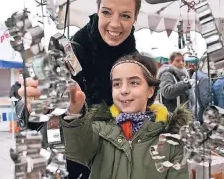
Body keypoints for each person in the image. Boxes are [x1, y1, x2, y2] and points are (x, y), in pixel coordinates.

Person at [17, 0, 142, 178]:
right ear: (97, 11)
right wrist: (31, 105)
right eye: (107, 12)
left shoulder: (138, 65)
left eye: (125, 16)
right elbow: (31, 110)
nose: (115, 24)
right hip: (66, 166)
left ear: (135, 18)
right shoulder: (68, 54)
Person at [21, 53, 190, 179]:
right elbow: (77, 148)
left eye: (134, 82)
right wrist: (73, 112)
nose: (123, 90)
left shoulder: (171, 143)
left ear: (150, 90)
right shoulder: (100, 131)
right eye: (117, 84)